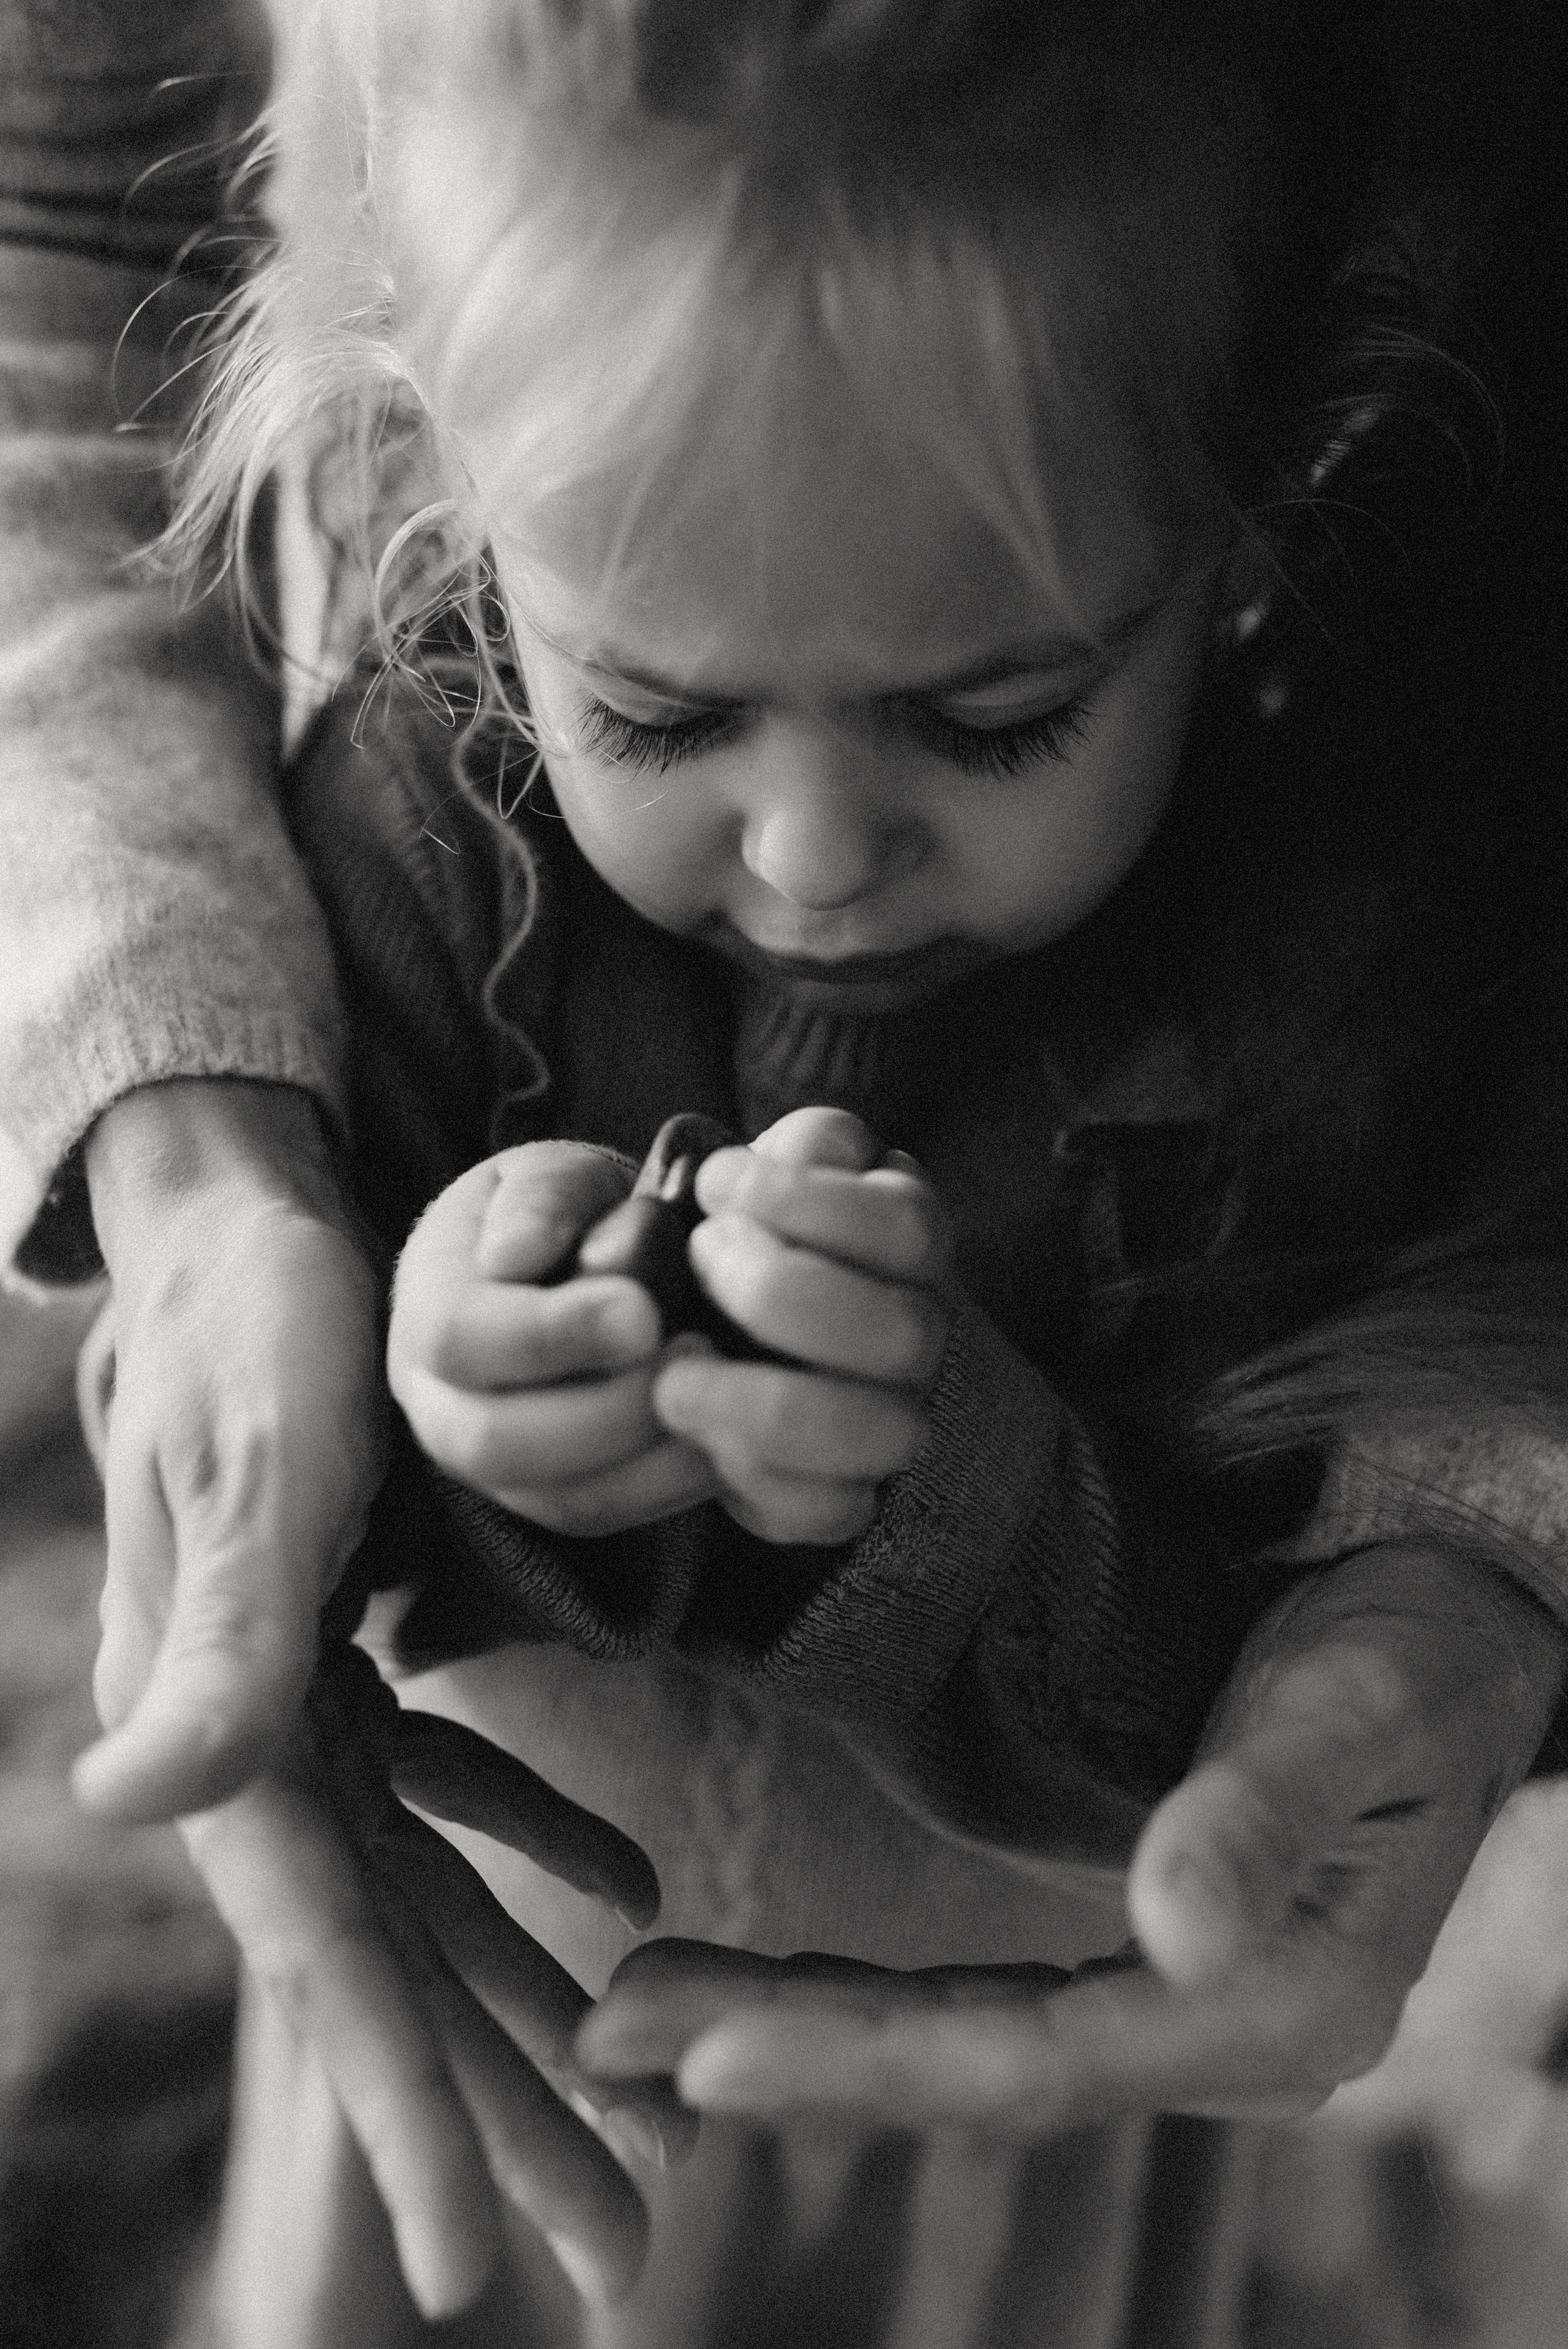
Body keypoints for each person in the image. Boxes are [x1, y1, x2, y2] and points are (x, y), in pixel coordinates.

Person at [3, 2, 1567, 2344]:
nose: (816, 854)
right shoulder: (406, 849)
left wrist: (957, 1472)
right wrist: (436, 1365)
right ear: (436, 489)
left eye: (994, 715)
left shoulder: (1319, 972)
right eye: (654, 707)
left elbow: (1207, 1688)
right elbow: (322, 1543)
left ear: (1266, 517)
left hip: (1010, 2085)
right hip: (495, 1967)